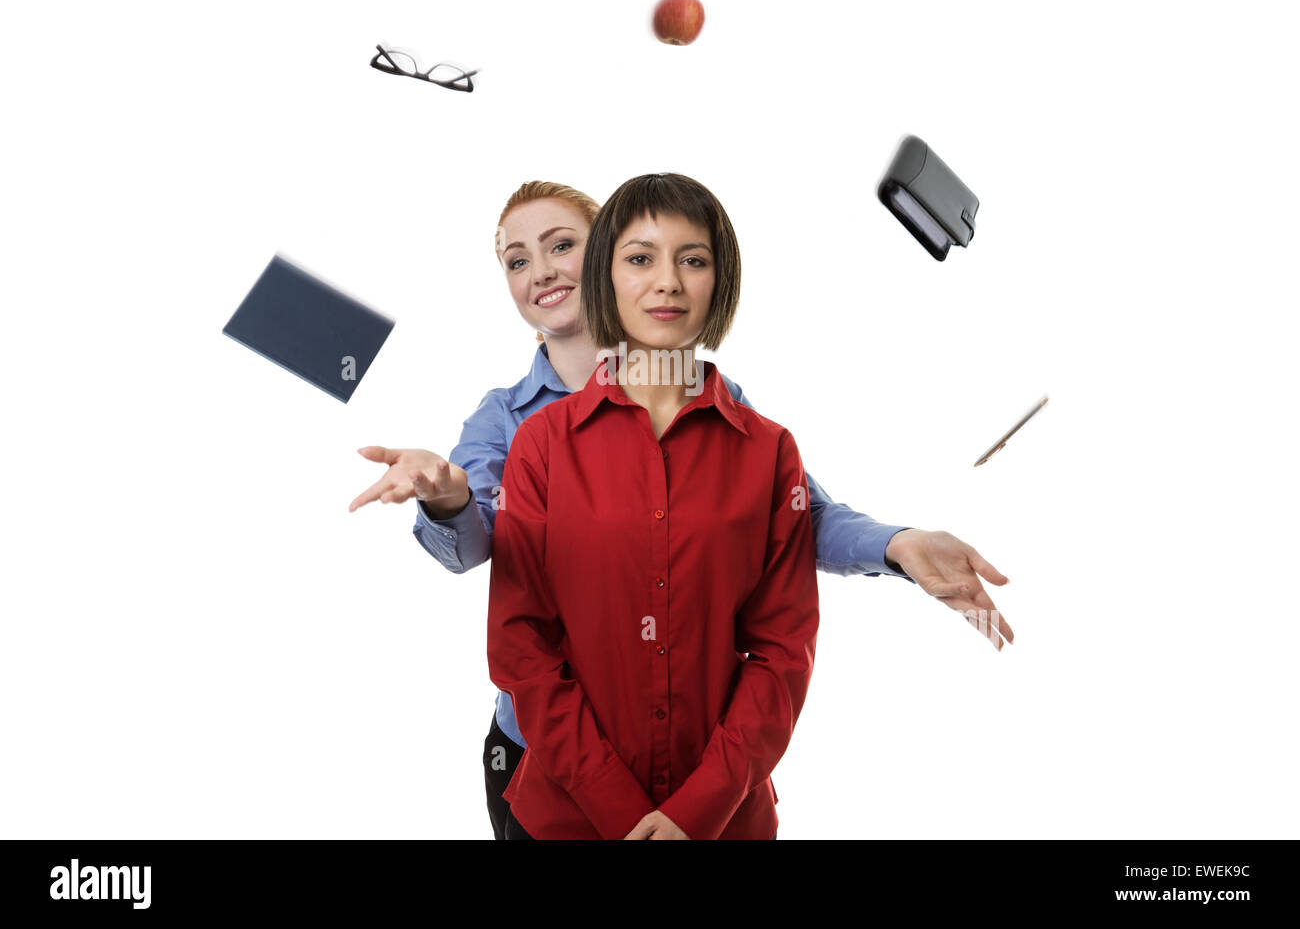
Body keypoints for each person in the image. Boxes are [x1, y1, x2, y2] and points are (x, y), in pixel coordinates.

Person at [349, 180, 1013, 839]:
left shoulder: (738, 423)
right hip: (545, 754)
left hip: (703, 776)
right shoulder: (513, 424)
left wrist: (896, 543)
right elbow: (483, 557)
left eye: (561, 245)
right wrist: (447, 493)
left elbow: (795, 525)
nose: (542, 270)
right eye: (517, 259)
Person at [488, 172, 817, 839]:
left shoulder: (770, 451)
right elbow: (521, 644)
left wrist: (694, 813)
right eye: (639, 258)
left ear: (718, 282)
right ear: (605, 276)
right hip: (565, 819)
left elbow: (783, 652)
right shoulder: (540, 444)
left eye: (692, 259)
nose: (666, 281)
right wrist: (622, 809)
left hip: (725, 822)